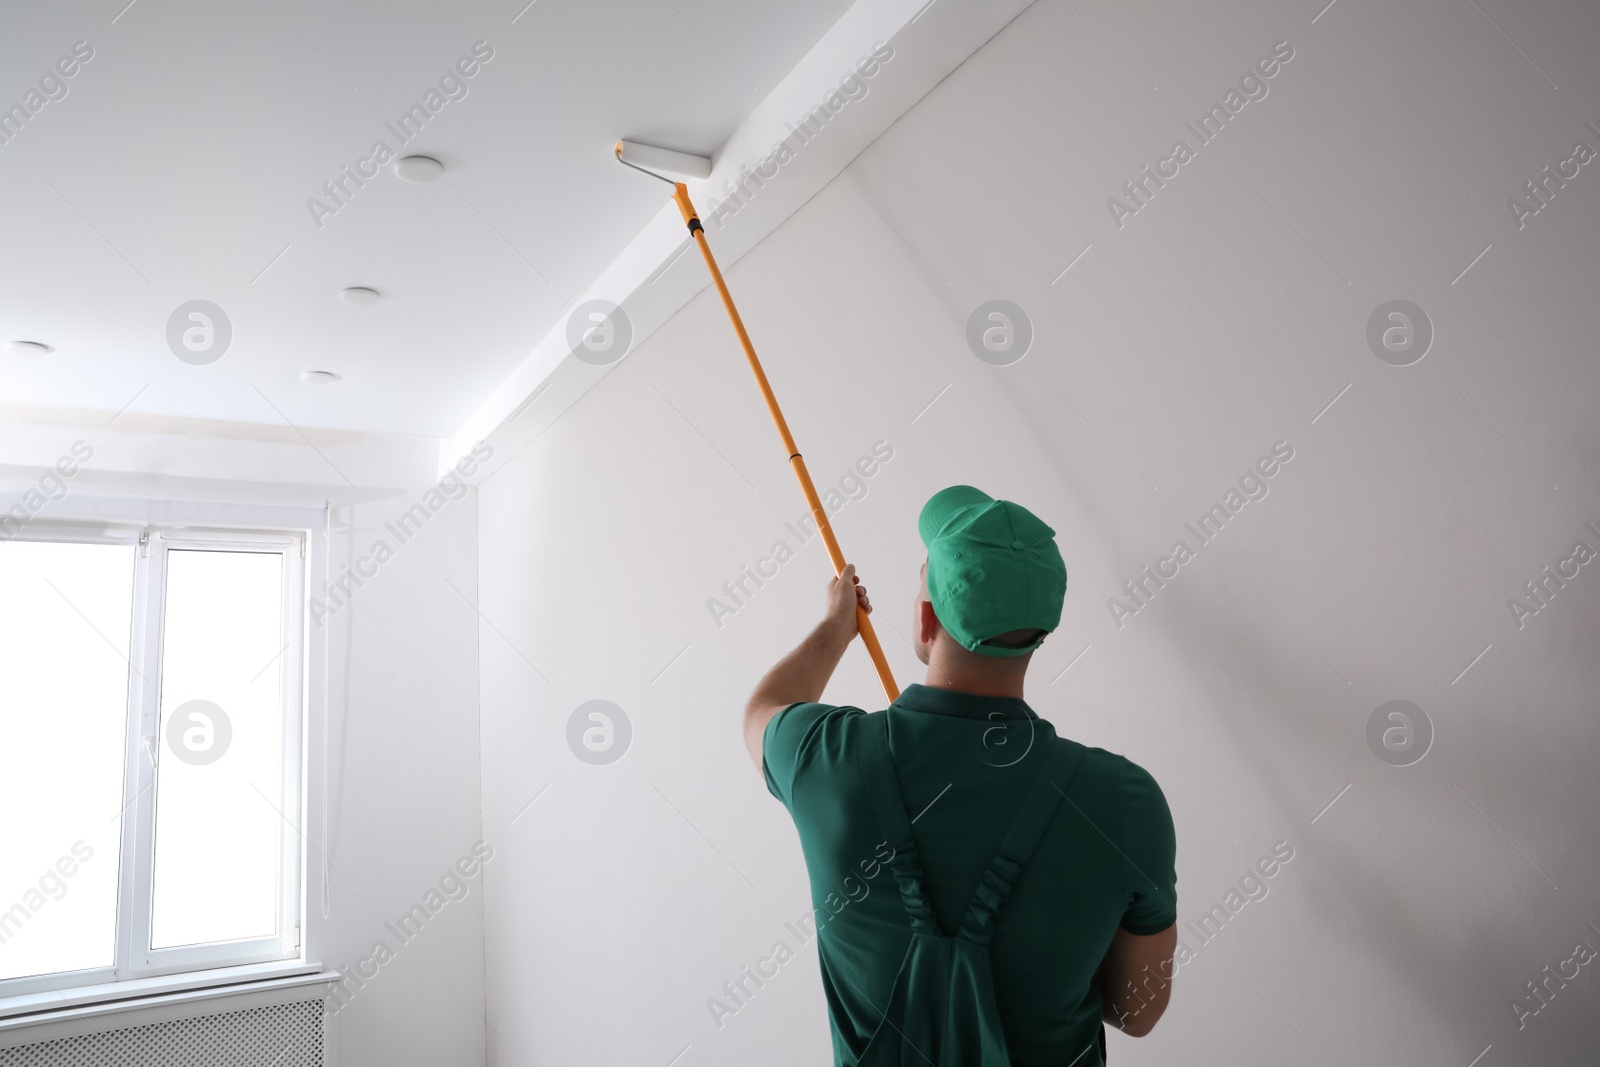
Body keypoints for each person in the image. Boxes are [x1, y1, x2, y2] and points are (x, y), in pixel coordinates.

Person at [744, 485, 1178, 1066]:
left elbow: (762, 710)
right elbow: (1136, 1012)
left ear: (926, 620)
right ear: (1042, 627)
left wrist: (836, 625)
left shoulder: (825, 758)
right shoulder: (1123, 800)